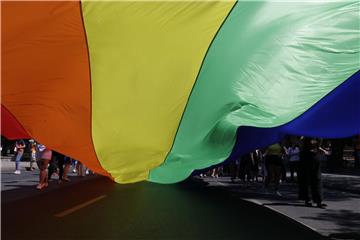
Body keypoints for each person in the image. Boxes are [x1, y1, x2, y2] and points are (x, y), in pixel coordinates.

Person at [298, 138, 326, 208]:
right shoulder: (303, 135)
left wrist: (321, 149)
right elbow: (300, 144)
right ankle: (307, 199)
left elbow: (318, 145)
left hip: (315, 157)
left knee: (317, 179)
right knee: (306, 179)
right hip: (306, 156)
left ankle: (318, 201)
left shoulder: (317, 136)